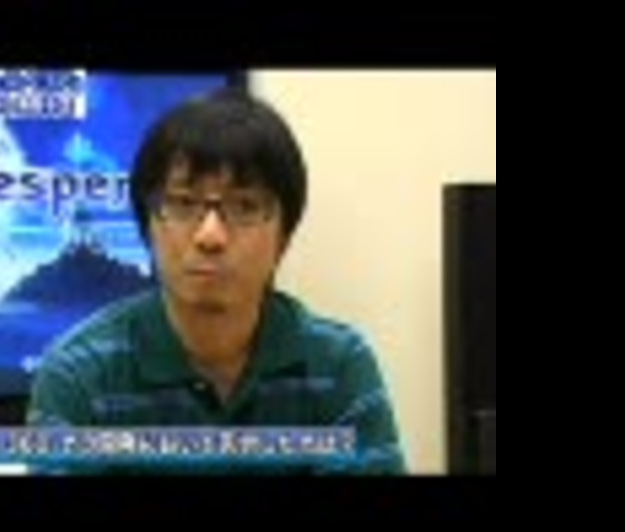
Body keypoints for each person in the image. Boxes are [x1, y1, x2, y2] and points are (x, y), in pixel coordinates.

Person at [26, 89, 406, 474]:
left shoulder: (338, 365)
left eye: (244, 206)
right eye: (183, 204)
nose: (210, 236)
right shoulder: (77, 376)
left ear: (284, 237)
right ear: (147, 228)